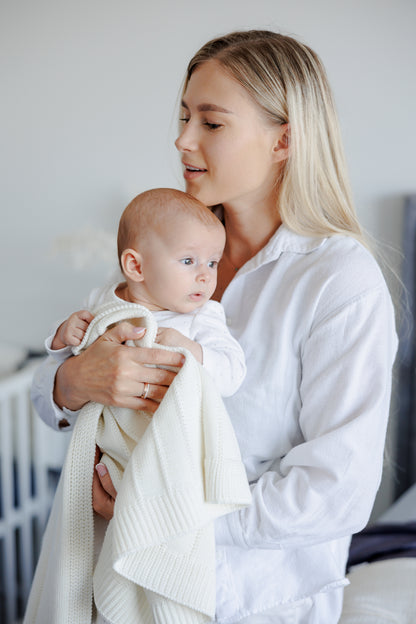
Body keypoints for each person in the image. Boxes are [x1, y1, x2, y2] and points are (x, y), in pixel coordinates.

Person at [31, 29, 398, 624]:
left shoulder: (338, 282)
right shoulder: (167, 244)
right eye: (182, 117)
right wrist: (73, 382)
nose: (181, 139)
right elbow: (54, 394)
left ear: (284, 140)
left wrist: (163, 514)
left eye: (211, 122)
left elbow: (336, 491)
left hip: (248, 603)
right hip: (106, 578)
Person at [46, 187, 246, 400]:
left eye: (212, 262)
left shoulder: (202, 316)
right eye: (188, 261)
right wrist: (62, 337)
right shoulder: (101, 301)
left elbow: (232, 376)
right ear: (136, 267)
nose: (205, 275)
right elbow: (71, 361)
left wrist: (188, 350)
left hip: (170, 427)